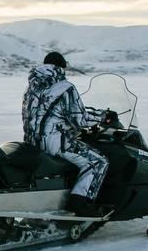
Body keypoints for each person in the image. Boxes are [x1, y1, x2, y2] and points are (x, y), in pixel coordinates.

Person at [21, 51, 111, 218]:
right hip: (57, 143)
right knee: (98, 162)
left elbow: (48, 112)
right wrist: (104, 117)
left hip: (32, 142)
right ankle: (80, 203)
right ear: (61, 67)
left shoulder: (32, 87)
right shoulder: (65, 87)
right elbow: (79, 119)